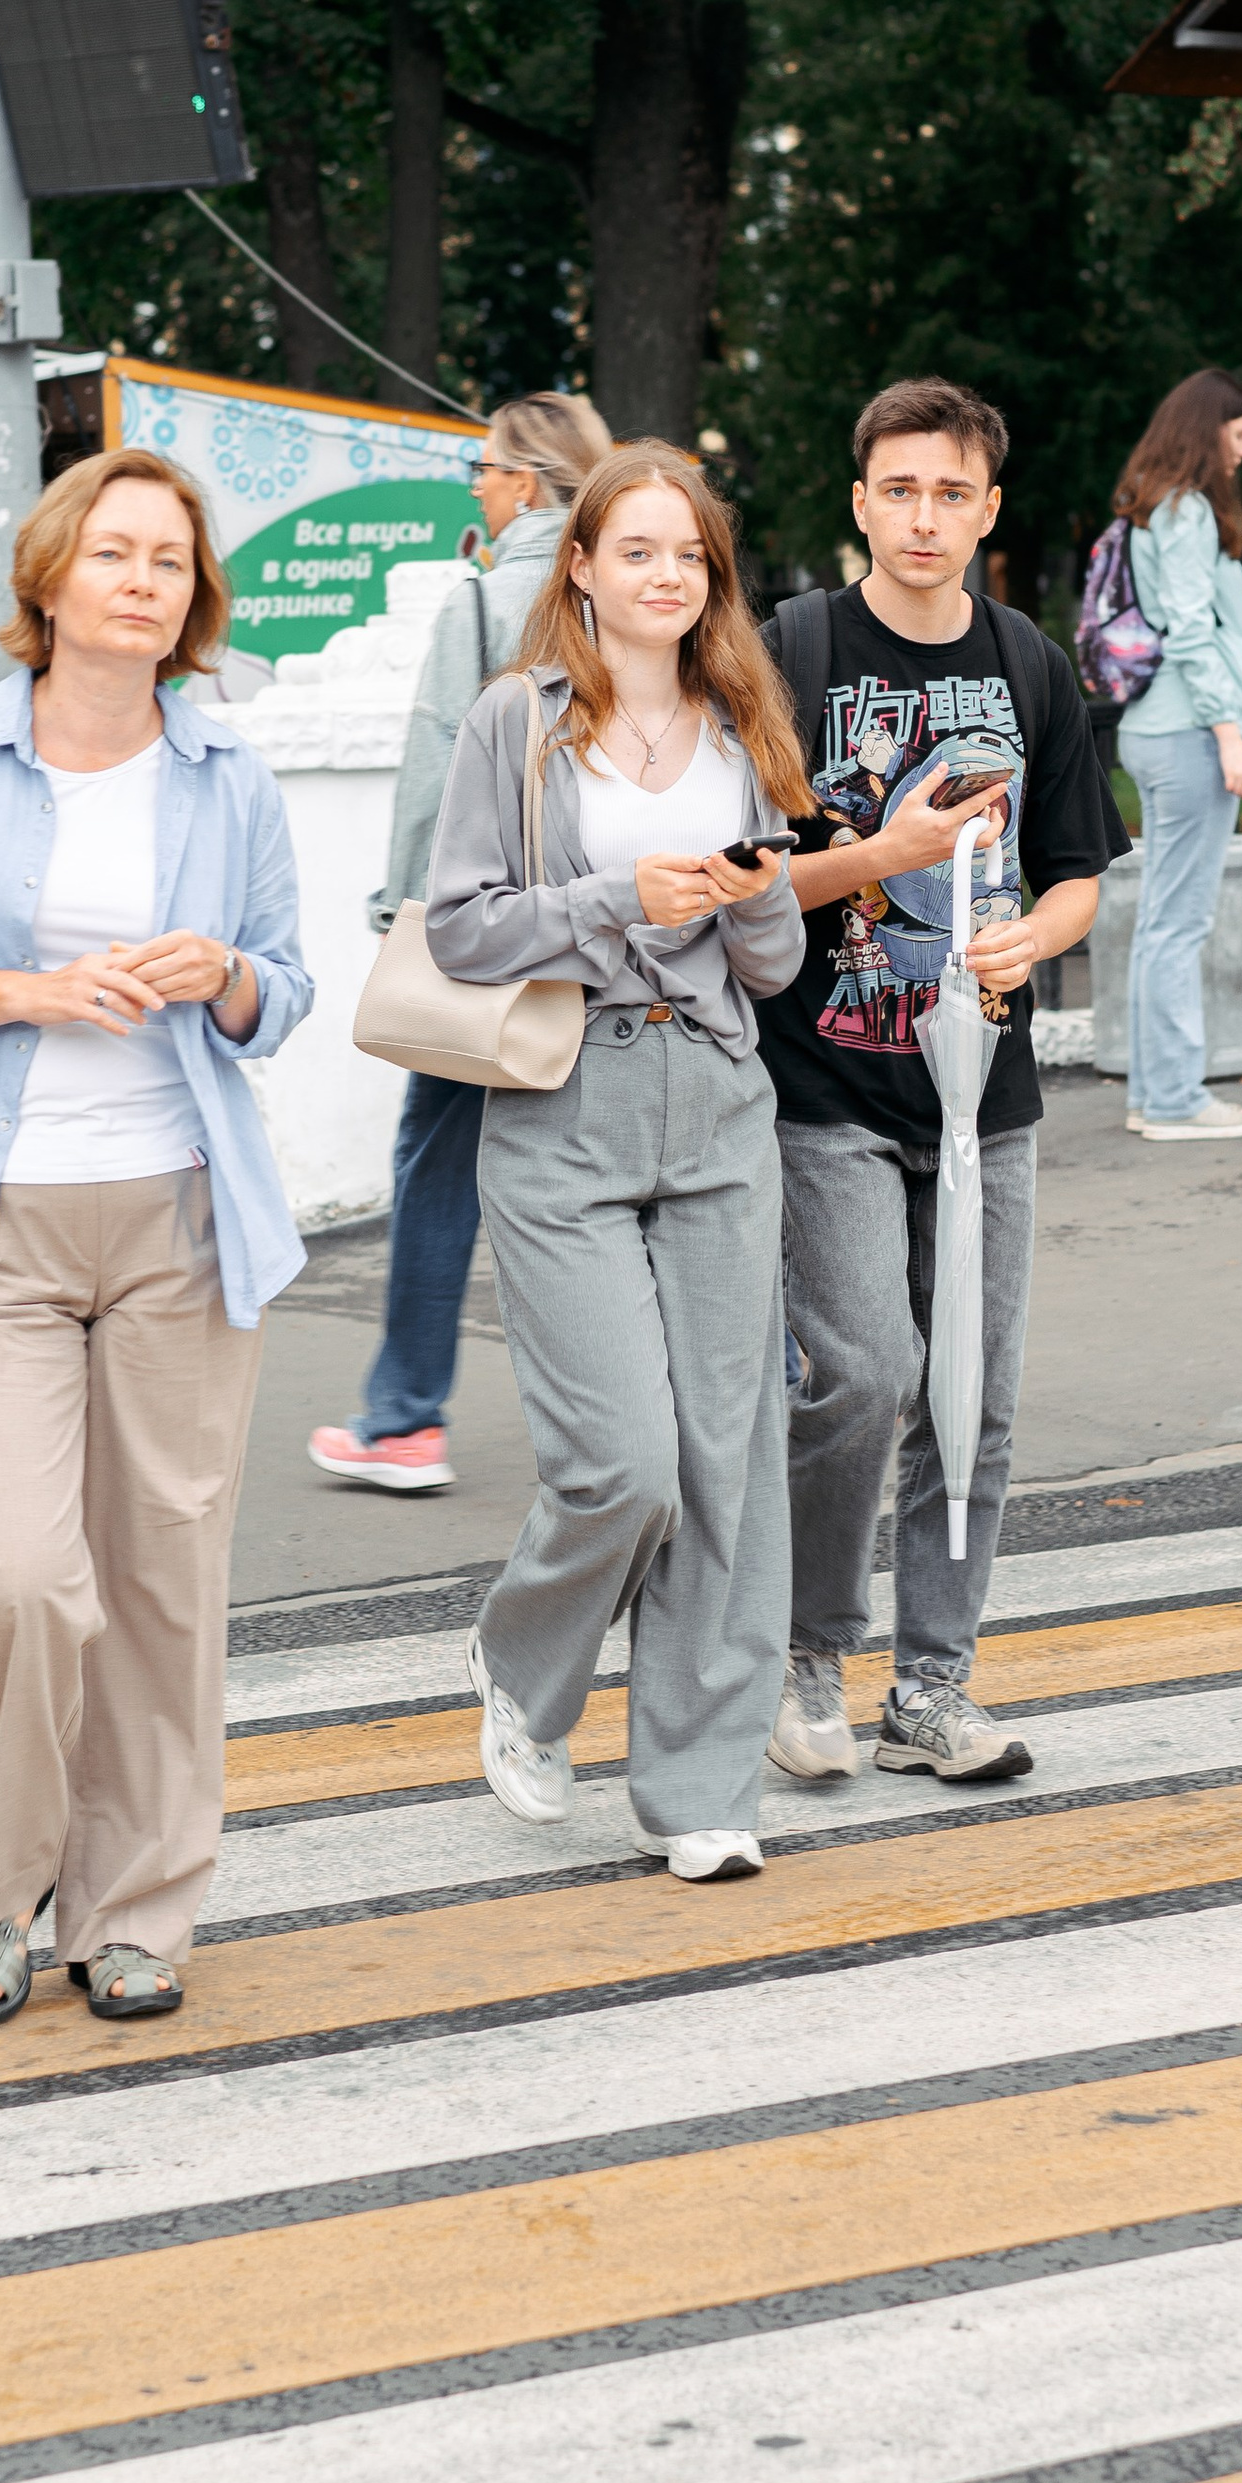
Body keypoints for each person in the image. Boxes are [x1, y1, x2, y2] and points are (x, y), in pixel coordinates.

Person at [0, 447, 311, 2030]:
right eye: (114, 552)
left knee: (164, 1582)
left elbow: (287, 988)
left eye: (170, 560)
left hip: (180, 1217)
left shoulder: (227, 770)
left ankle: (136, 1909)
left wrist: (225, 977)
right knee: (18, 1577)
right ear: (49, 576)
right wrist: (18, 991)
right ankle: (1, 1894)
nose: (143, 581)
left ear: (194, 596)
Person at [425, 440, 809, 1881]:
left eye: (689, 554)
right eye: (636, 550)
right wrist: (615, 897)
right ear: (578, 564)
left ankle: (701, 1789)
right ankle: (523, 1666)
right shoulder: (515, 721)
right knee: (627, 1465)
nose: (666, 575)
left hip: (714, 1093)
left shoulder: (741, 720)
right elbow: (461, 926)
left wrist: (753, 897)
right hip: (564, 1096)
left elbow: (773, 965)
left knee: (727, 1463)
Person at [759, 376, 1125, 1790]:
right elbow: (749, 877)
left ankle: (931, 1686)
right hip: (826, 1082)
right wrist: (880, 860)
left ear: (988, 510)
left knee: (976, 1396)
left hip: (986, 1096)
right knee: (865, 1372)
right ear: (860, 501)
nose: (925, 517)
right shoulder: (795, 650)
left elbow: (1079, 866)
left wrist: (1039, 934)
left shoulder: (1030, 662)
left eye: (951, 493)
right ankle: (805, 1656)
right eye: (900, 490)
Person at [310, 390, 612, 1494]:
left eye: (482, 469)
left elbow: (439, 766)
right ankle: (755, 1384)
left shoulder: (485, 599)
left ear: (524, 480)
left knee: (437, 1162)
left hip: (494, 937)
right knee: (637, 1166)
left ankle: (403, 1420)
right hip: (625, 926)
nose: (477, 488)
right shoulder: (631, 580)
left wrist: (403, 909)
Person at [1113, 366, 1242, 1144]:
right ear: (1208, 433)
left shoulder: (1159, 506)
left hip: (1163, 730)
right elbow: (1191, 633)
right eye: (1238, 436)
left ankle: (1155, 1094)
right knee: (1178, 925)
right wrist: (1230, 735)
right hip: (1190, 736)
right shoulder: (1186, 511)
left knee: (1162, 924)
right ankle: (1176, 1100)